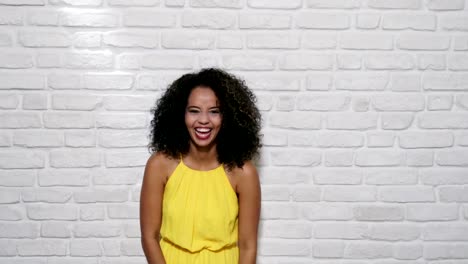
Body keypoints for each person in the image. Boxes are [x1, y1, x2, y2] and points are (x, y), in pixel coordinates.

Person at [140, 68, 262, 264]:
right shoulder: (159, 166)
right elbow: (149, 237)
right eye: (194, 110)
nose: (203, 120)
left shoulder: (243, 173)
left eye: (214, 112)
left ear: (228, 117)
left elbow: (248, 245)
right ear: (181, 114)